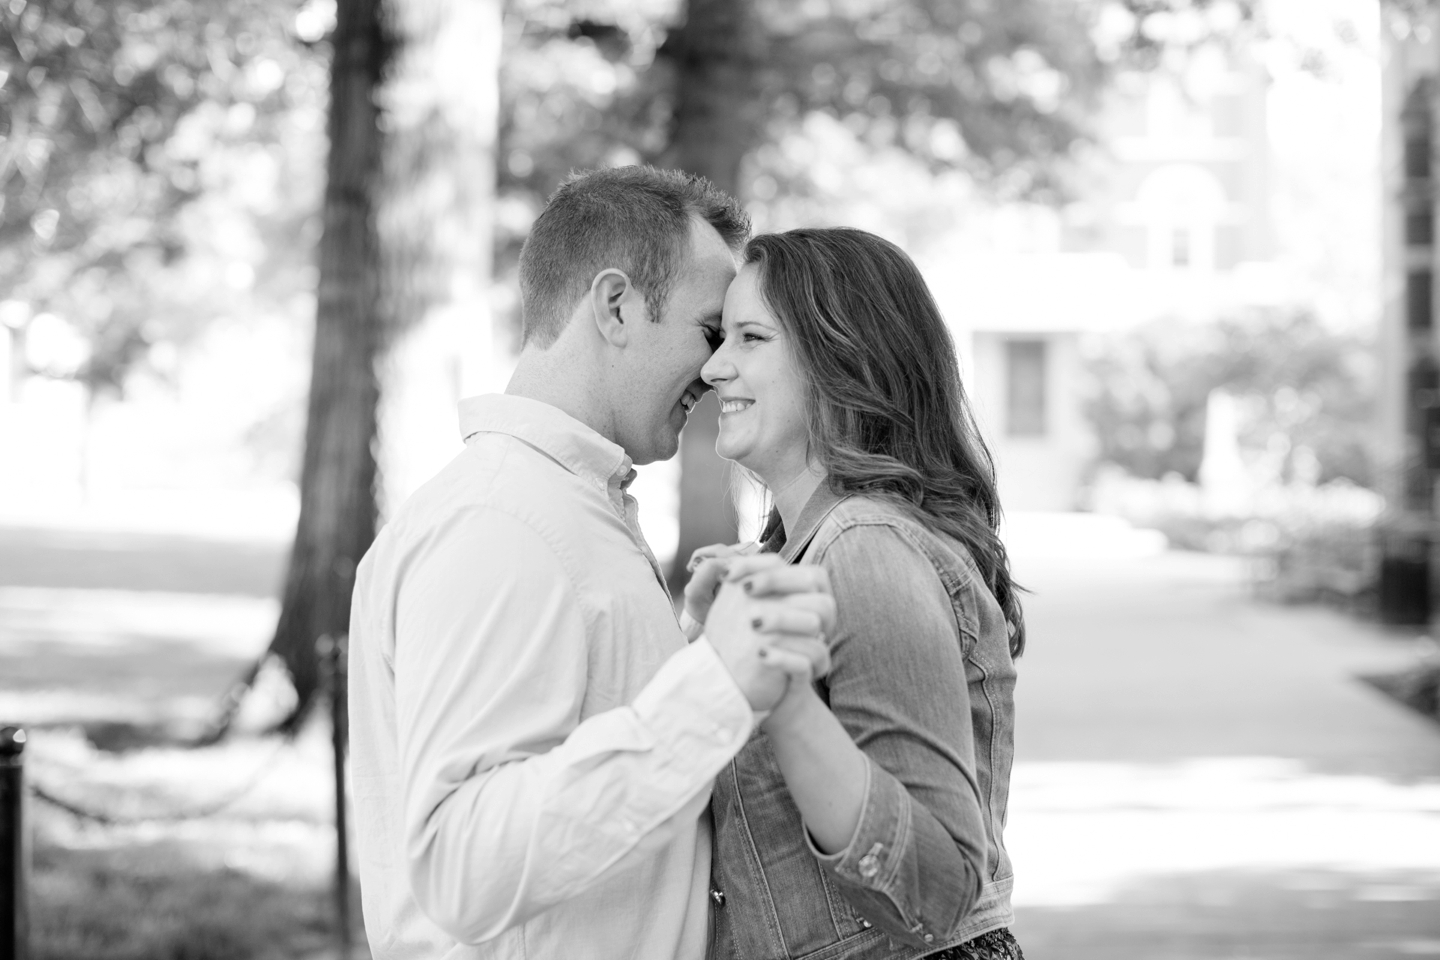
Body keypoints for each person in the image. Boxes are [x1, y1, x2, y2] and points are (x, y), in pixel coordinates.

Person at [346, 167, 837, 960]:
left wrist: (695, 651)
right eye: (710, 332)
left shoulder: (560, 510)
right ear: (616, 306)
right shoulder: (500, 523)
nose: (716, 372)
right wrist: (715, 690)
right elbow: (460, 861)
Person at [685, 227, 1026, 960]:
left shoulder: (865, 546)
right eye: (720, 337)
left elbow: (937, 891)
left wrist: (783, 696)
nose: (715, 367)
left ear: (837, 359)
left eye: (750, 338)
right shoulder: (799, 557)